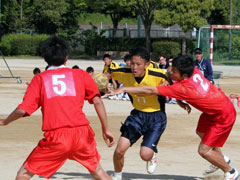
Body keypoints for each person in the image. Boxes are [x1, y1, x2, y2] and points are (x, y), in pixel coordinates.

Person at [0, 36, 115, 180]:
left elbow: (23, 110)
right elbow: (98, 101)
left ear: (45, 58)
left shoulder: (40, 79)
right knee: (98, 171)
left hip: (57, 136)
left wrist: (5, 121)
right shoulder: (80, 74)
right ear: (66, 58)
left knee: (23, 174)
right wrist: (106, 129)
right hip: (82, 133)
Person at [110, 55, 239, 180]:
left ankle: (231, 172)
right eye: (171, 67)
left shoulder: (182, 88)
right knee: (201, 132)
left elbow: (150, 90)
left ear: (183, 75)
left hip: (223, 115)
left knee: (204, 151)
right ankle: (220, 159)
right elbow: (177, 82)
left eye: (174, 71)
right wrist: (180, 100)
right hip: (215, 107)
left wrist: (124, 89)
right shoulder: (192, 70)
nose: (170, 72)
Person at [108, 47, 168, 180]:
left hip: (156, 117)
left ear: (147, 64)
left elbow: (166, 85)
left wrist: (123, 89)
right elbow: (108, 73)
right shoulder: (123, 72)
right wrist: (98, 80)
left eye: (138, 64)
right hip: (137, 116)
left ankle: (152, 155)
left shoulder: (158, 75)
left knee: (145, 155)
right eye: (132, 63)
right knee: (119, 150)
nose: (134, 67)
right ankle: (117, 176)